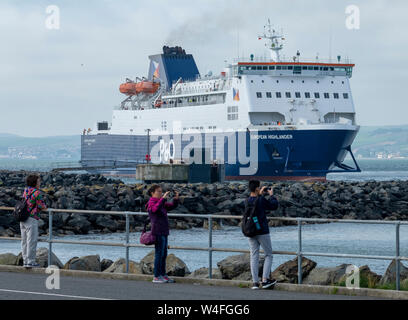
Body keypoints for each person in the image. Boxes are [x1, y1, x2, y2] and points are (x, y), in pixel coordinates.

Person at [247, 180, 279, 290]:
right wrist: (272, 195)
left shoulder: (247, 200)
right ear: (256, 189)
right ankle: (265, 280)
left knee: (254, 255)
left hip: (250, 231)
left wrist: (260, 194)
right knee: (268, 255)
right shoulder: (260, 200)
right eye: (260, 187)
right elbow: (273, 206)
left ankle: (255, 282)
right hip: (262, 231)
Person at [145, 185, 179, 283]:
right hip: (157, 231)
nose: (161, 193)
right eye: (158, 192)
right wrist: (163, 199)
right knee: (159, 254)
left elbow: (171, 206)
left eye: (161, 191)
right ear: (152, 193)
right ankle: (156, 276)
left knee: (164, 254)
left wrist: (176, 199)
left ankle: (163, 275)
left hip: (164, 231)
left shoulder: (161, 202)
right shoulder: (151, 202)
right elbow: (154, 210)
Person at [21, 174, 47, 268]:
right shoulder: (37, 192)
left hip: (23, 217)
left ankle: (25, 260)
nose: (40, 183)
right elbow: (42, 206)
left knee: (24, 240)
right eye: (39, 181)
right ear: (35, 182)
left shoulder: (26, 190)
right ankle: (30, 261)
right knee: (31, 240)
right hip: (31, 218)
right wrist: (45, 207)